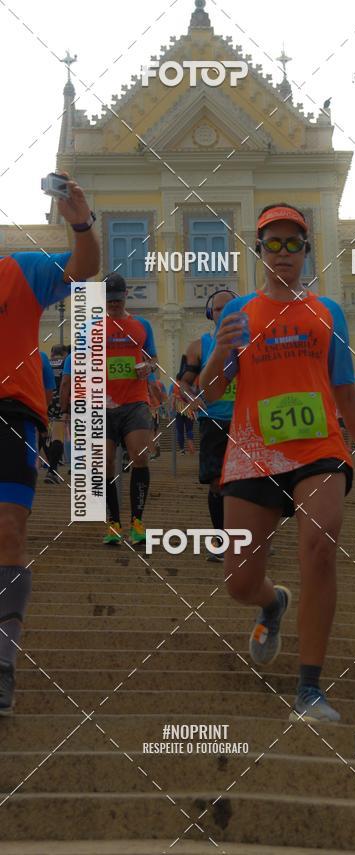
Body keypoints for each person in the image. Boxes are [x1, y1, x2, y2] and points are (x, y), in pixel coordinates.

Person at [197, 202, 355, 722]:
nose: (282, 253)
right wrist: (219, 354)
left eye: (293, 244)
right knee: (238, 581)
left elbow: (347, 392)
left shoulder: (328, 312)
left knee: (320, 544)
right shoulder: (239, 312)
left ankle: (309, 689)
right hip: (254, 452)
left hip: (318, 450)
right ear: (259, 252)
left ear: (307, 251)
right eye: (272, 244)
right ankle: (271, 603)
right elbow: (208, 392)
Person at [0, 174, 100, 715]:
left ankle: (2, 663)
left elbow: (83, 269)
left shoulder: (21, 269)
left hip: (12, 413)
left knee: (8, 530)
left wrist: (81, 221)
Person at [180, 289, 237, 562]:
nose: (223, 313)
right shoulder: (199, 346)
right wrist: (192, 398)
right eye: (218, 309)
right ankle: (221, 539)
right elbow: (184, 383)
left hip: (245, 421)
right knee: (217, 482)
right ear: (210, 314)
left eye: (229, 308)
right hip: (213, 420)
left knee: (249, 483)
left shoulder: (253, 343)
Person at [102, 272, 158, 546]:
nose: (113, 304)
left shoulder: (142, 325)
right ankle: (113, 522)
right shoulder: (93, 328)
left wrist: (147, 368)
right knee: (107, 461)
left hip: (136, 401)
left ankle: (137, 521)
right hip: (104, 404)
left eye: (116, 299)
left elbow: (153, 359)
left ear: (125, 295)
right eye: (108, 300)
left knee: (140, 456)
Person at [42, 345, 68, 484]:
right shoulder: (67, 361)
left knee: (44, 434)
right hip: (60, 399)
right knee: (58, 435)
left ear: (52, 353)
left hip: (43, 397)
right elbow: (66, 383)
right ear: (64, 353)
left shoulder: (44, 361)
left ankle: (53, 467)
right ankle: (52, 470)